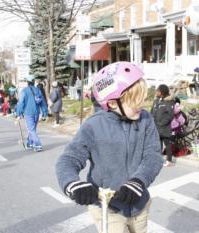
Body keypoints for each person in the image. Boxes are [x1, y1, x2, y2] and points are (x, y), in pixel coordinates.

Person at [55, 62, 163, 233]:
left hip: (139, 203)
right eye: (136, 101)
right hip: (108, 208)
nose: (142, 106)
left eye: (143, 100)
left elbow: (153, 155)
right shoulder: (93, 126)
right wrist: (72, 184)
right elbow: (68, 160)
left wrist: (138, 181)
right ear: (113, 103)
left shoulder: (145, 119)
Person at [16, 75, 48, 152]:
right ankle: (30, 143)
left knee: (31, 129)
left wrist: (19, 113)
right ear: (33, 82)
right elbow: (43, 102)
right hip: (37, 112)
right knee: (32, 129)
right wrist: (45, 113)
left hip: (28, 112)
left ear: (27, 82)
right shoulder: (38, 90)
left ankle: (38, 144)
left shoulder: (24, 91)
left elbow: (21, 103)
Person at [151, 84, 175, 167]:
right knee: (158, 144)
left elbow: (170, 115)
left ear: (162, 92)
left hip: (165, 127)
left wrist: (162, 123)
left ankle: (169, 161)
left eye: (158, 91)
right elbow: (152, 112)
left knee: (167, 144)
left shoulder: (169, 101)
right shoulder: (156, 101)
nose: (156, 92)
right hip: (155, 127)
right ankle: (158, 159)